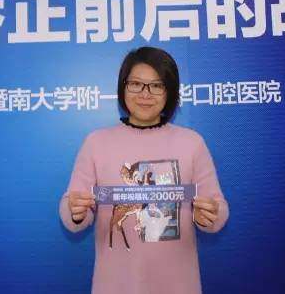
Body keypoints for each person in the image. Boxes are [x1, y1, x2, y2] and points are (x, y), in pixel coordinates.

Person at [59, 46, 229, 294]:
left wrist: (210, 216)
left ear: (170, 91)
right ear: (123, 87)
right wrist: (75, 211)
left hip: (178, 284)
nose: (145, 94)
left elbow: (218, 207)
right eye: (136, 84)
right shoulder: (96, 142)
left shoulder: (192, 143)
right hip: (115, 284)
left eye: (157, 85)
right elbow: (70, 209)